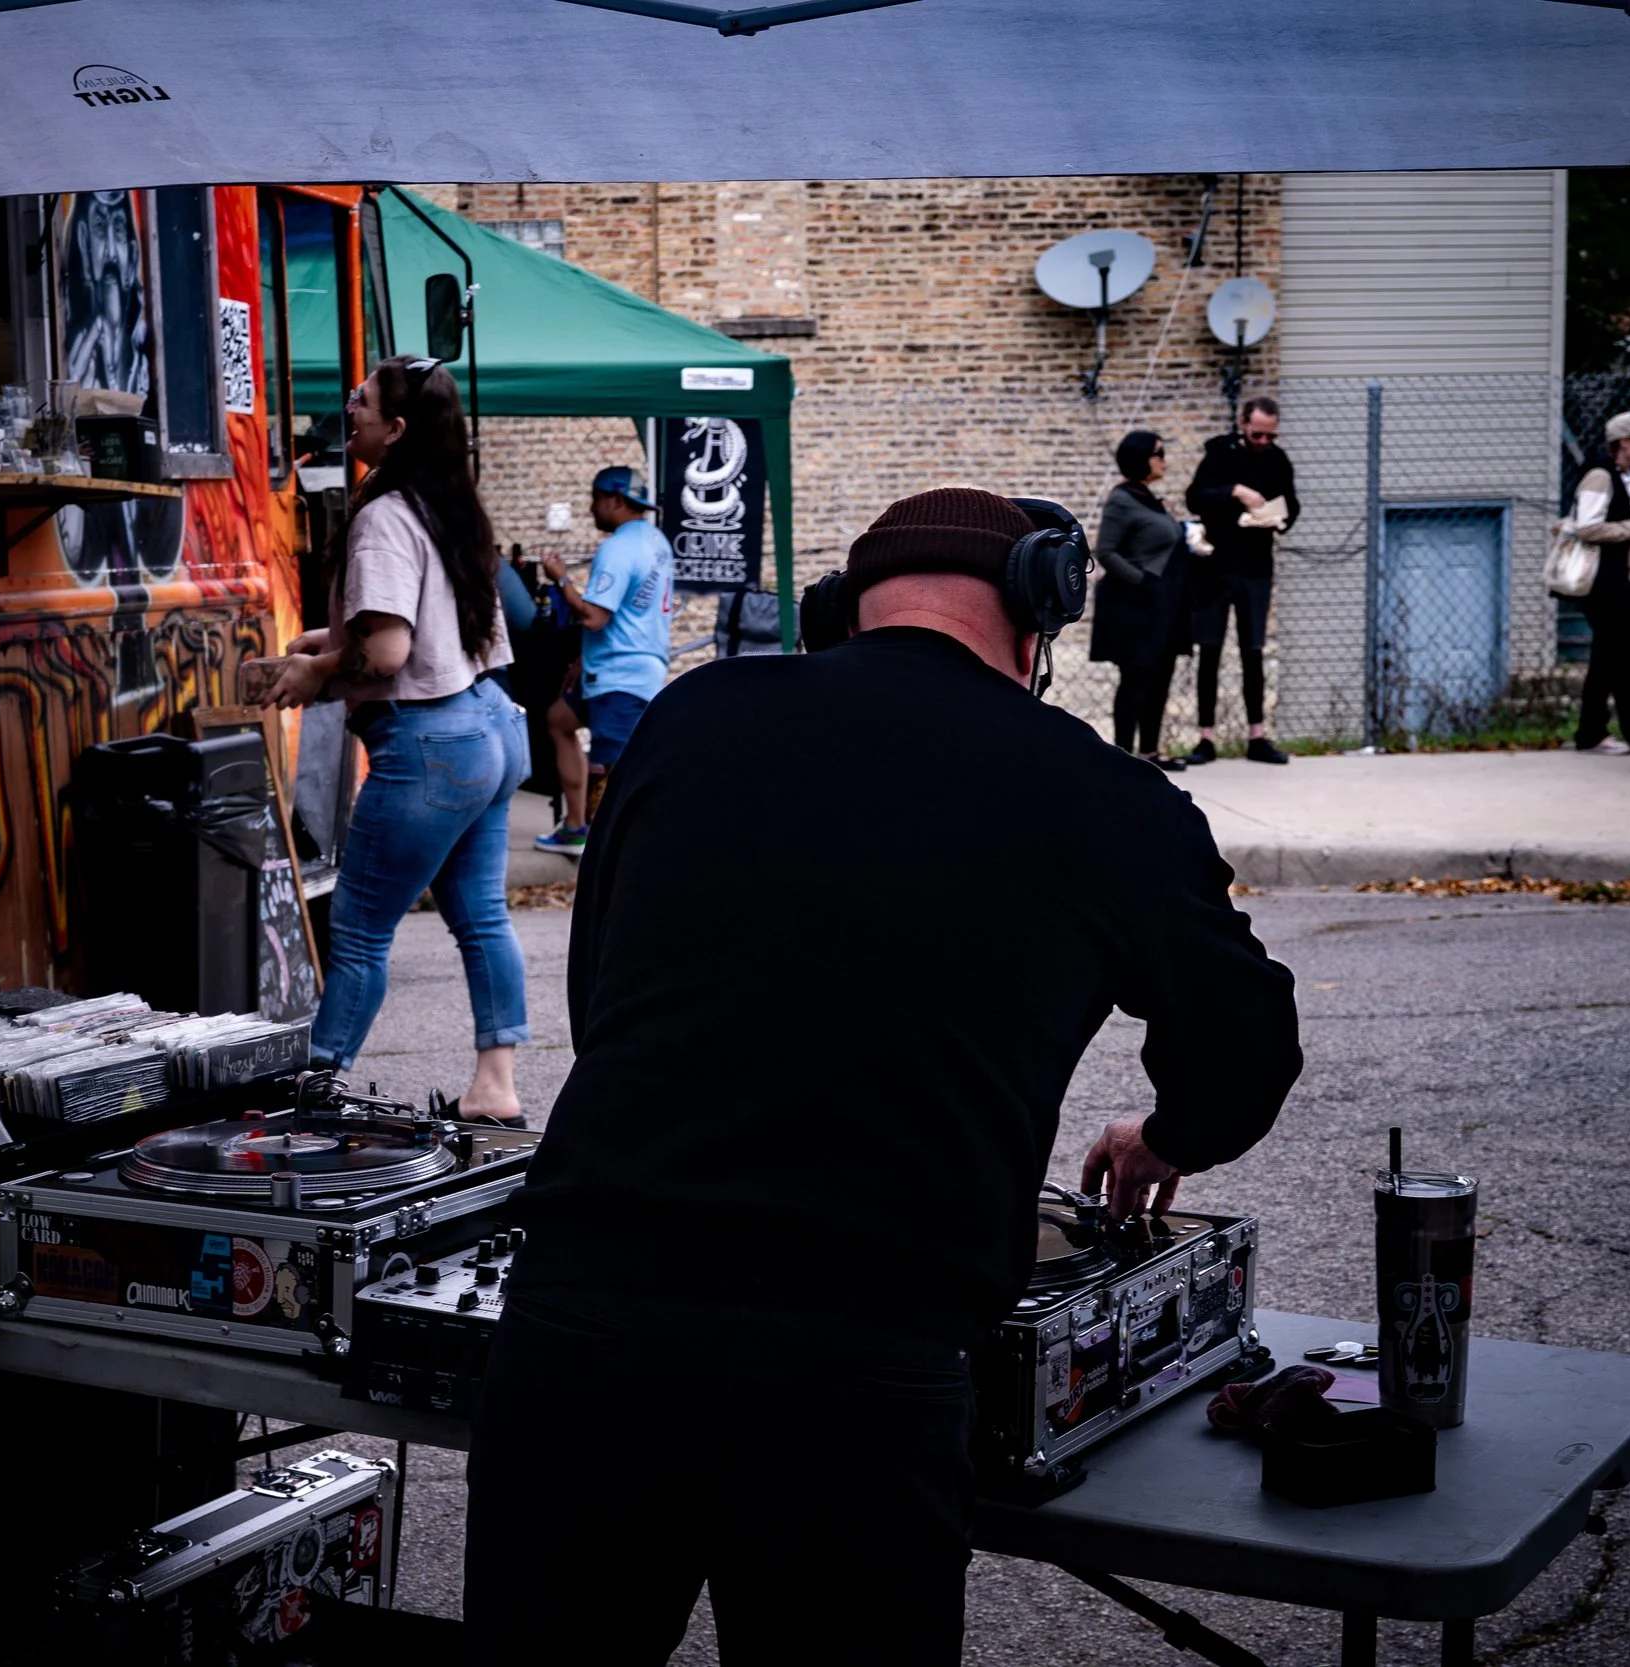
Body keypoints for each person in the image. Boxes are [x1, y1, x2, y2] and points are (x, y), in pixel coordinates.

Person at [465, 487, 1301, 1665]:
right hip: (860, 1368)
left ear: (844, 609)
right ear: (1038, 610)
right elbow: (1248, 1045)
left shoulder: (690, 720)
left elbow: (602, 997)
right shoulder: (1108, 795)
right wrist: (1171, 1133)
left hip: (580, 1327)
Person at [261, 357, 530, 1119]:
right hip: (491, 726)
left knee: (356, 935)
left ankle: (316, 1088)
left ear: (398, 428)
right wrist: (314, 646)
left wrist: (316, 676)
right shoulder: (452, 506)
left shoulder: (383, 515)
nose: (350, 409)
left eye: (363, 401)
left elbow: (386, 653)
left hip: (430, 745)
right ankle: (496, 1087)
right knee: (482, 916)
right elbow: (418, 623)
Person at [533, 465, 674, 855]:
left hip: (620, 675)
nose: (590, 506)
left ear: (615, 500)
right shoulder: (656, 541)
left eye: (595, 498)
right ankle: (575, 826)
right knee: (558, 720)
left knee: (609, 772)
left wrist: (560, 578)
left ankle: (602, 850)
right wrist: (582, 659)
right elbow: (630, 610)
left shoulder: (616, 548)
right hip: (621, 666)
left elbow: (596, 616)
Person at [1184, 397, 1297, 765]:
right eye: (1257, 434)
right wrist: (1235, 491)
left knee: (1253, 651)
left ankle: (1257, 736)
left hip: (1256, 567)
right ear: (1243, 423)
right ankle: (1206, 738)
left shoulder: (1278, 460)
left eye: (1270, 435)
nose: (1264, 441)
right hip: (1216, 565)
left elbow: (1292, 507)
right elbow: (1194, 498)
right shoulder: (1220, 454)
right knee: (1210, 652)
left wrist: (1274, 516)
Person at [1091, 429, 1194, 770]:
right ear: (1141, 459)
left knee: (1160, 677)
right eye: (1158, 454)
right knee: (1136, 680)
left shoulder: (1148, 497)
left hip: (1163, 606)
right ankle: (1123, 757)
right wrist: (1143, 582)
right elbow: (1105, 551)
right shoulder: (1122, 499)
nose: (1164, 461)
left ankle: (1149, 755)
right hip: (1135, 606)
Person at [1570, 412, 1630, 757]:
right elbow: (1587, 527)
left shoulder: (1624, 478)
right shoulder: (1600, 476)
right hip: (1602, 582)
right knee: (1619, 656)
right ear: (1623, 443)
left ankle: (1591, 732)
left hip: (1616, 580)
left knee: (1607, 657)